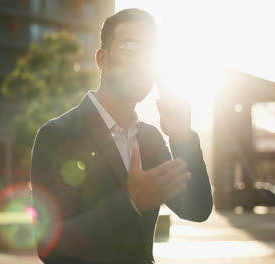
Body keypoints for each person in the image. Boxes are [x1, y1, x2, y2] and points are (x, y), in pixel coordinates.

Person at [30, 8, 213, 264]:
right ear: (102, 59)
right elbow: (49, 245)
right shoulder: (57, 134)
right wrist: (130, 203)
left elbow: (196, 210)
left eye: (150, 52)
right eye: (130, 47)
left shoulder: (150, 138)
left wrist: (182, 137)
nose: (141, 61)